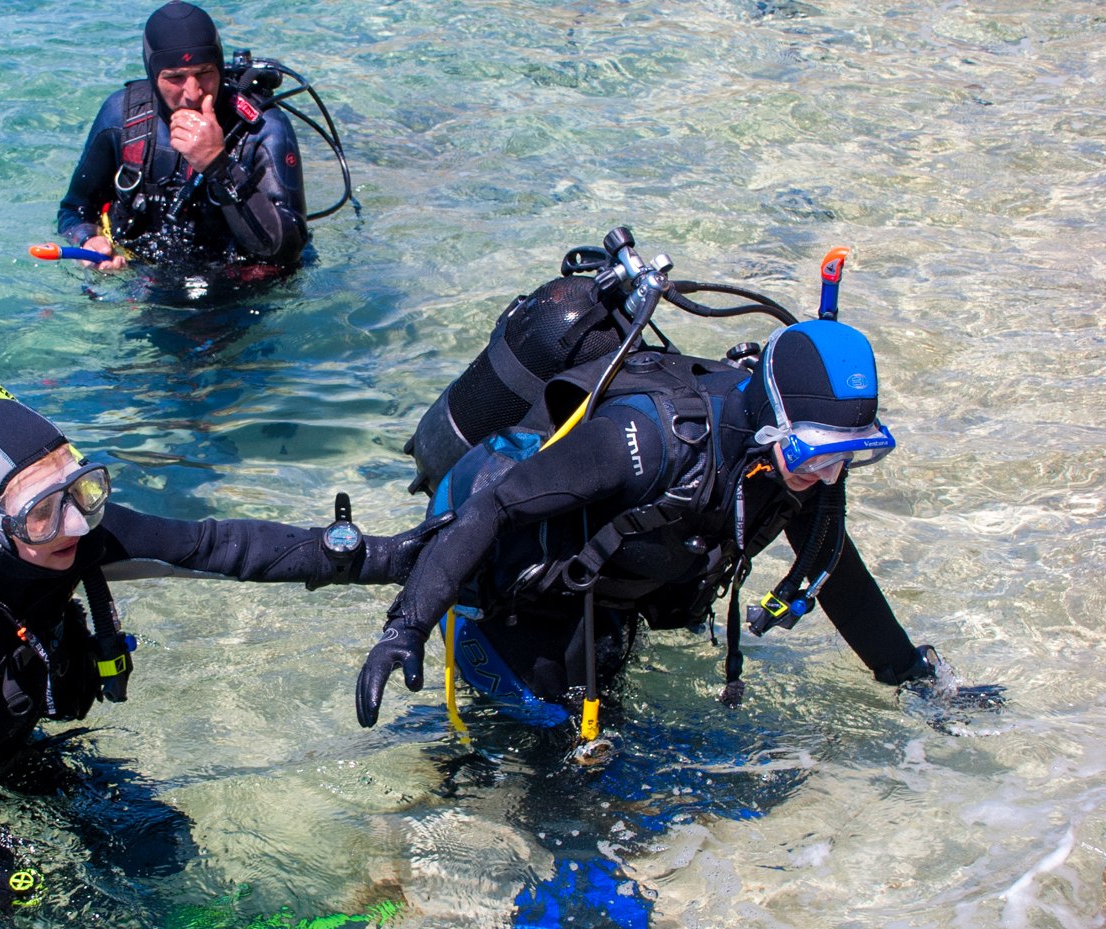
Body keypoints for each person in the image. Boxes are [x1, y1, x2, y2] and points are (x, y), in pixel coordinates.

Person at [0, 398, 441, 929]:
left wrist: (391, 556)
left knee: (155, 845)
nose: (75, 523)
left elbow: (214, 544)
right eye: (44, 511)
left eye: (84, 490)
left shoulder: (62, 534)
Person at [355, 313, 971, 733]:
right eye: (817, 452)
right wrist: (404, 627)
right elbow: (492, 507)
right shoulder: (652, 441)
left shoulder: (786, 469)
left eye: (852, 456)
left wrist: (912, 677)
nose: (830, 476)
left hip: (600, 609)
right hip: (508, 608)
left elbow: (837, 575)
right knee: (540, 761)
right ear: (770, 422)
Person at [56, 1, 308, 272]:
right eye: (175, 77)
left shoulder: (262, 128)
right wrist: (87, 239)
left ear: (220, 66)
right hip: (141, 274)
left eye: (204, 73)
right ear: (153, 75)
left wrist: (218, 166)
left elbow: (288, 251)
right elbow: (73, 210)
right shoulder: (122, 119)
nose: (193, 92)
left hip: (235, 287)